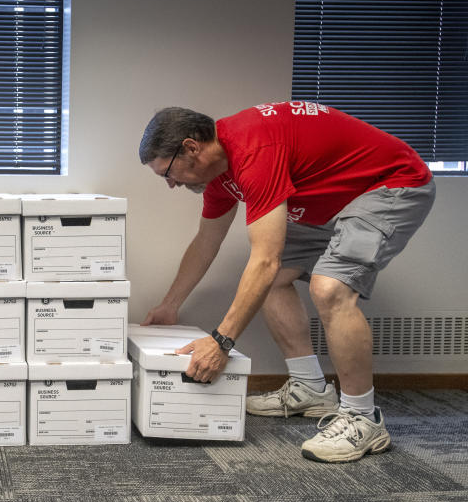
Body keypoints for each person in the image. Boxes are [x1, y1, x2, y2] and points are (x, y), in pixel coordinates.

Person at [138, 102, 435, 463]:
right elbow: (206, 243)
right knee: (272, 281)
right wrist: (170, 305)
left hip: (391, 185)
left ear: (191, 148)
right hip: (332, 200)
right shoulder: (218, 174)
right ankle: (310, 388)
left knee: (329, 288)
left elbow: (265, 258)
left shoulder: (254, 150)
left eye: (167, 173)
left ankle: (363, 417)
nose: (170, 184)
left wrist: (221, 342)